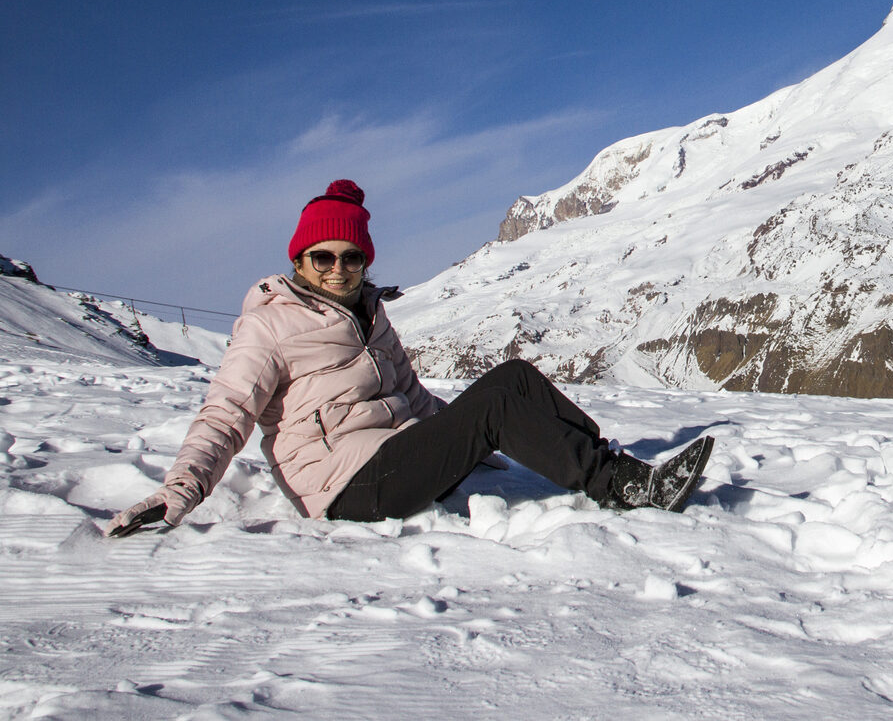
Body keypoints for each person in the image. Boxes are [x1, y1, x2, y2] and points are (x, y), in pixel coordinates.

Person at [107, 180, 713, 537]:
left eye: (351, 257)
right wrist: (179, 491)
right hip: (346, 489)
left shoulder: (370, 312)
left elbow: (417, 399)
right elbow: (226, 413)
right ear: (299, 260)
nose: (339, 268)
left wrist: (476, 437)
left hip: (390, 455)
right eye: (323, 257)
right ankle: (628, 488)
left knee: (514, 378)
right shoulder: (269, 325)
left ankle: (601, 458)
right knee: (500, 401)